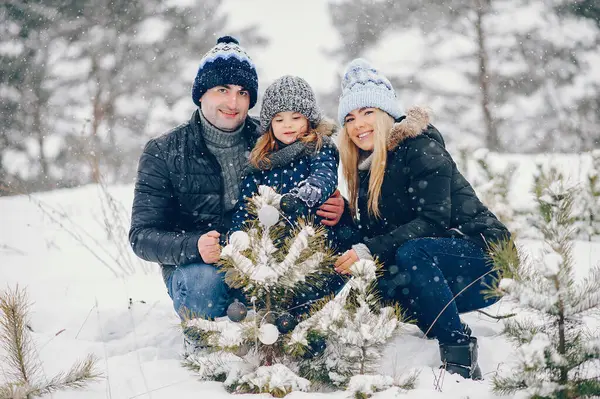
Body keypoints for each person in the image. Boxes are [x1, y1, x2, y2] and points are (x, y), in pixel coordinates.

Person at [128, 37, 345, 331]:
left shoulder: (271, 138)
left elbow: (310, 170)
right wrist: (195, 245)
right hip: (201, 266)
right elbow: (141, 236)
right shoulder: (165, 151)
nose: (233, 102)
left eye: (242, 92)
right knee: (205, 282)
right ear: (201, 94)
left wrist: (336, 203)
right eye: (222, 90)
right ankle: (208, 343)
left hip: (268, 259)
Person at [332, 58, 511, 380]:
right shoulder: (366, 166)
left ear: (387, 114)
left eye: (367, 112)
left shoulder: (421, 149)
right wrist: (343, 215)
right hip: (435, 267)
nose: (358, 125)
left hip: (485, 260)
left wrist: (368, 249)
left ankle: (459, 355)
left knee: (411, 253)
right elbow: (379, 234)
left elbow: (433, 222)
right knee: (368, 260)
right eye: (350, 118)